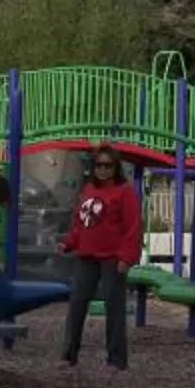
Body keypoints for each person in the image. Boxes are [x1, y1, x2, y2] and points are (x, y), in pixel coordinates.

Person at [58, 145, 143, 370]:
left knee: (114, 308)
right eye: (98, 165)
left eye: (108, 166)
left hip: (112, 258)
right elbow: (81, 222)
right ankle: (68, 355)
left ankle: (116, 359)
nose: (103, 170)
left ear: (116, 168)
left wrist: (126, 258)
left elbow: (133, 227)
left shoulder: (124, 192)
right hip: (87, 256)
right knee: (76, 305)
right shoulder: (88, 189)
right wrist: (69, 242)